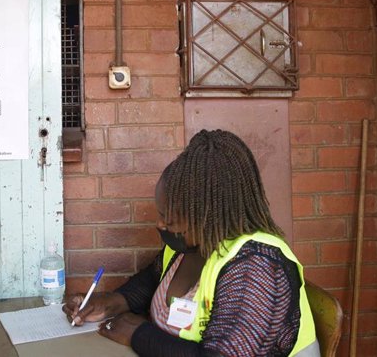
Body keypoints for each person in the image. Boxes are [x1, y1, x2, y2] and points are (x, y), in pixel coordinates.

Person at [63, 129, 318, 356]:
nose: (160, 224)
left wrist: (138, 335)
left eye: (169, 217)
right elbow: (151, 282)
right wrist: (109, 302)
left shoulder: (258, 266)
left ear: (206, 214)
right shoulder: (188, 245)